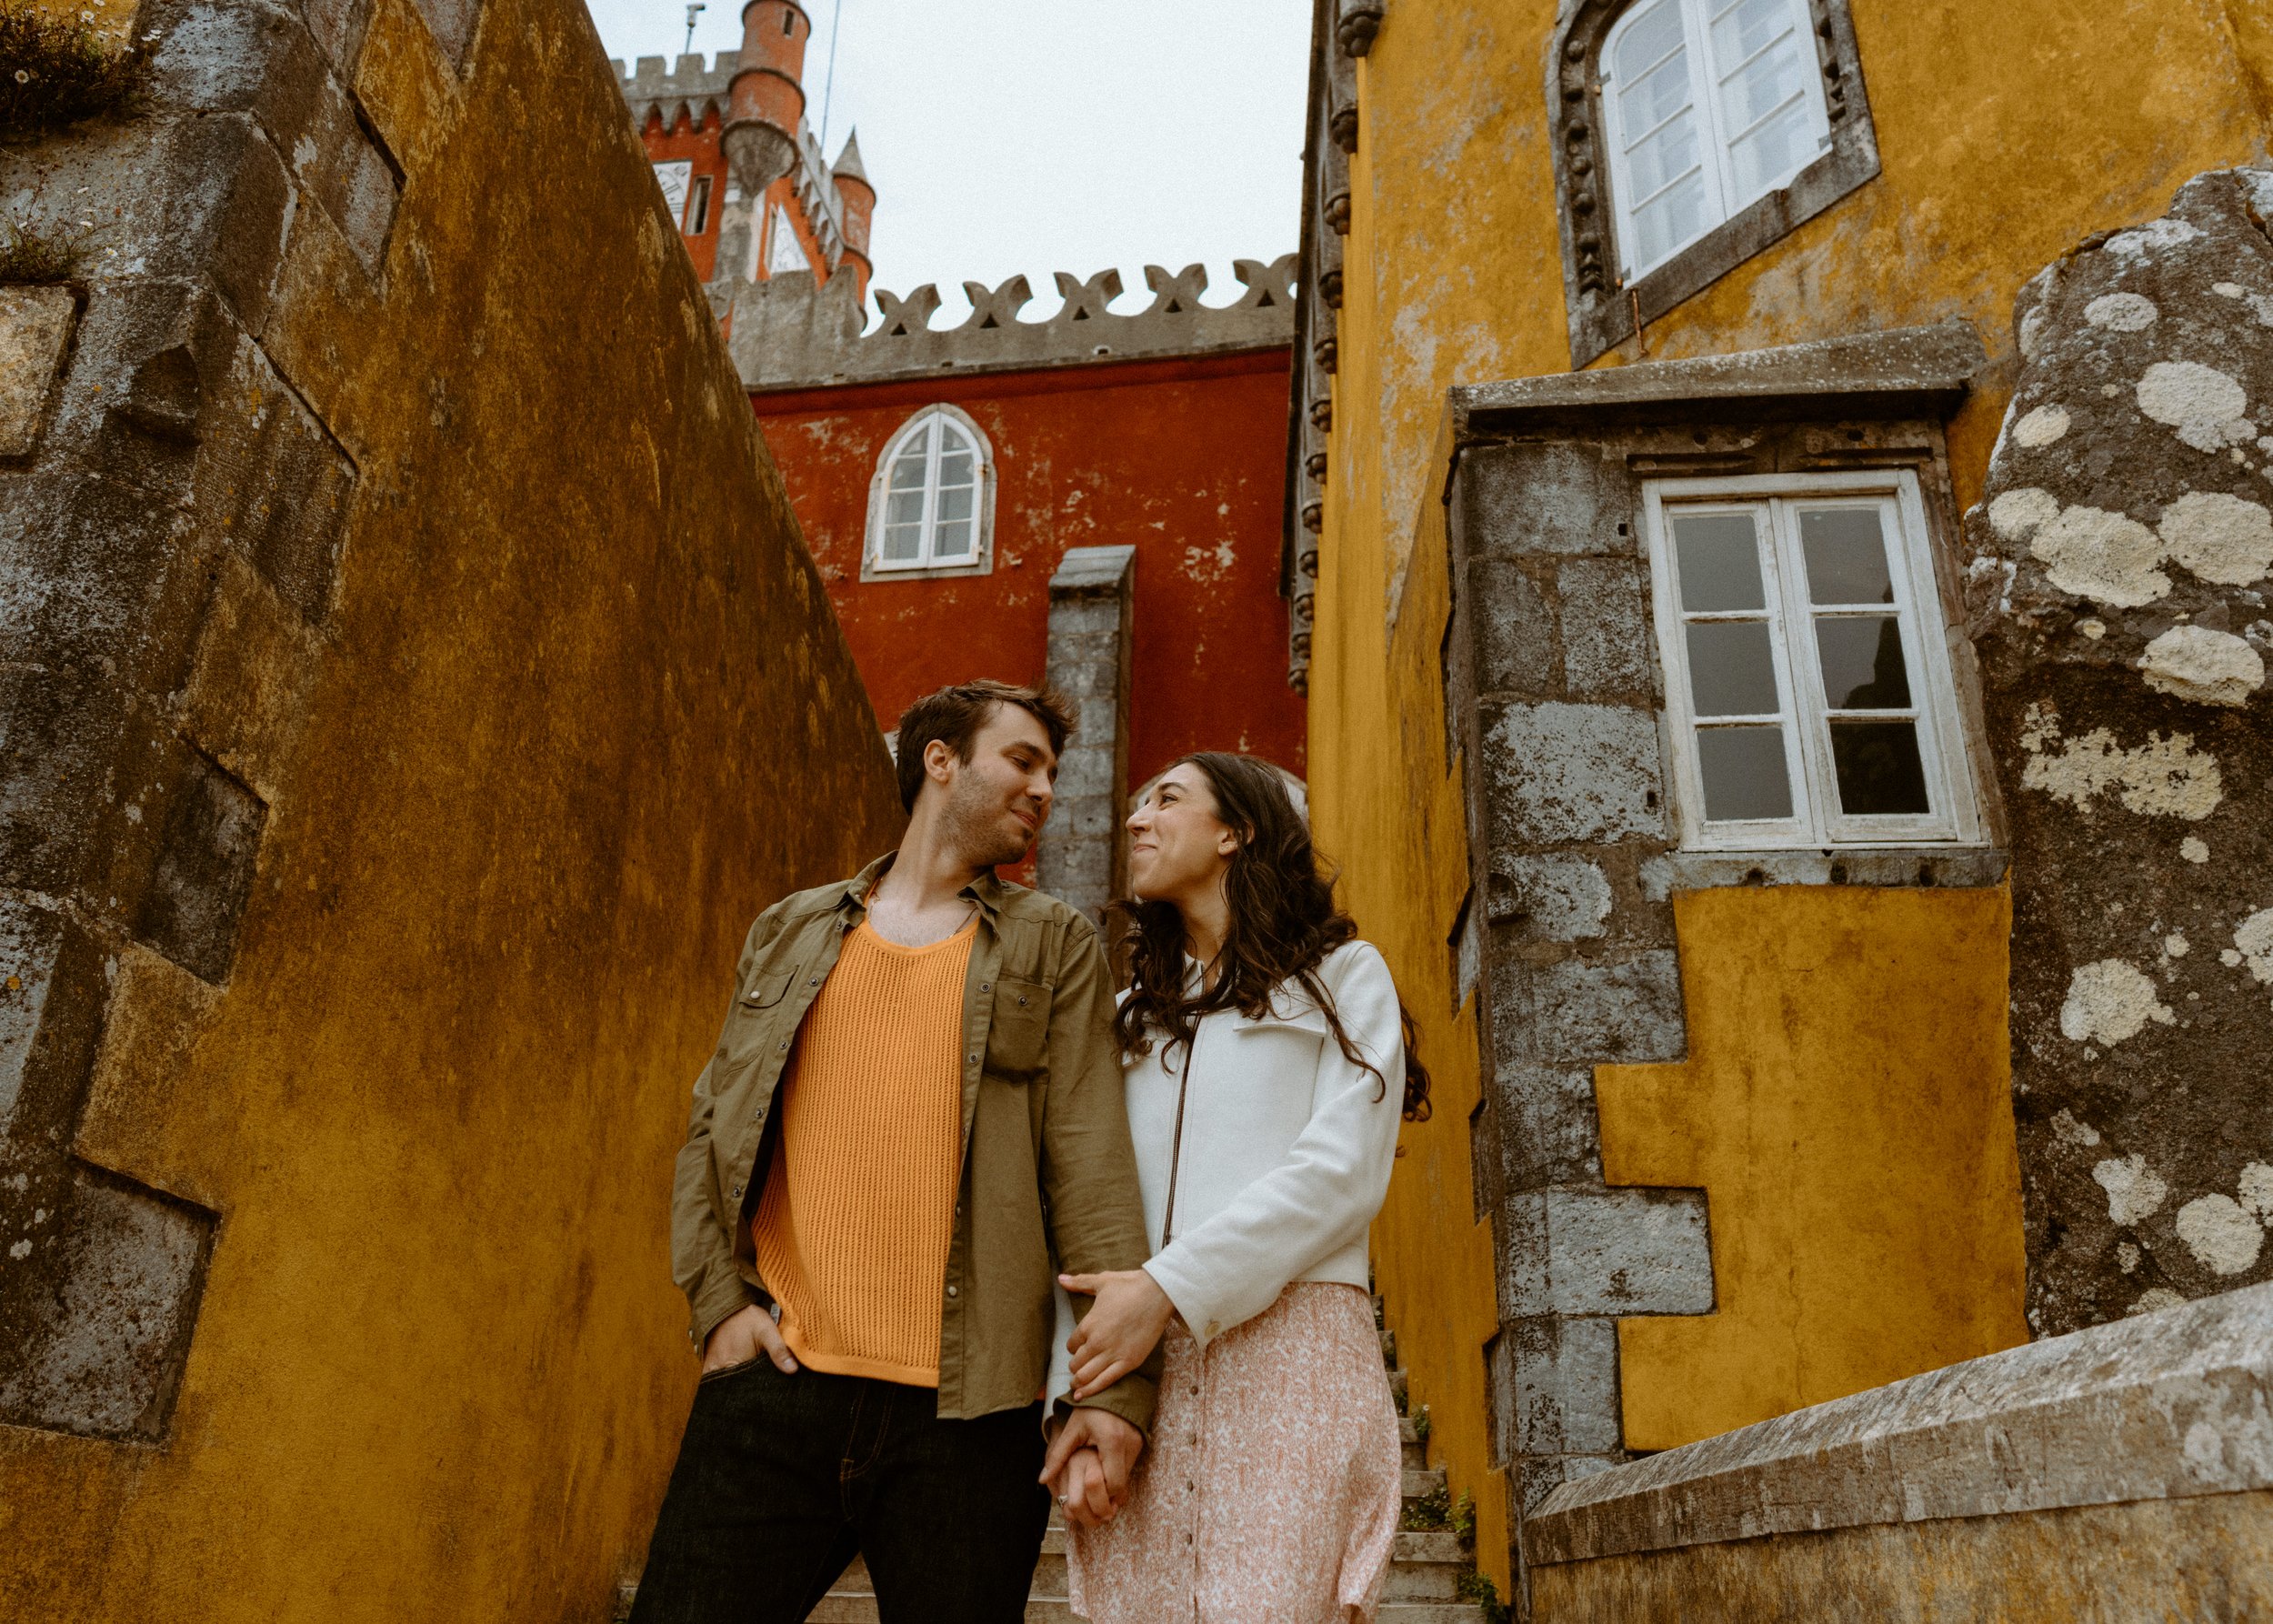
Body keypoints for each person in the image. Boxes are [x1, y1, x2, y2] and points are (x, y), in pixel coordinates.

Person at [631, 679, 1160, 1624]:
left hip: (969, 1420)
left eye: (1053, 772)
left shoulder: (1054, 943)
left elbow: (1090, 1167)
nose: (1044, 790)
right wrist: (719, 1308)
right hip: (777, 1388)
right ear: (940, 760)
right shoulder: (789, 928)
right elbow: (712, 1130)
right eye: (1022, 761)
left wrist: (1116, 1397)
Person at [1038, 752, 1433, 1624]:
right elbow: (1079, 1204)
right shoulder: (1125, 1014)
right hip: (1141, 1368)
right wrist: (1079, 1398)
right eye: (1137, 804)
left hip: (1292, 1354)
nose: (1137, 819)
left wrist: (1171, 1285)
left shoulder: (1344, 980)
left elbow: (1343, 1171)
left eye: (1166, 800)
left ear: (1235, 832)